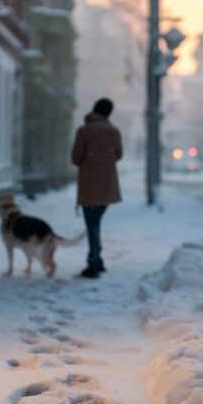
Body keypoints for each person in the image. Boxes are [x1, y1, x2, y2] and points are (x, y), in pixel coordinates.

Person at [70, 98, 123, 279]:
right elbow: (118, 154)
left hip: (89, 185)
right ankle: (97, 260)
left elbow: (76, 158)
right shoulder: (114, 131)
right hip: (108, 185)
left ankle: (93, 262)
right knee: (95, 223)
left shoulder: (84, 131)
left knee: (92, 224)